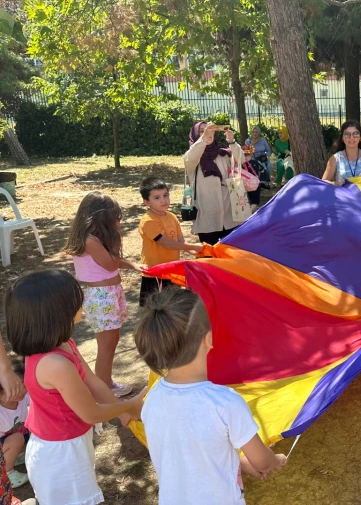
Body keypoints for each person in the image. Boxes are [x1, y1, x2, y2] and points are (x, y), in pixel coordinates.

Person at [4, 270, 145, 505]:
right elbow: (91, 412)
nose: (83, 303)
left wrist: (122, 411)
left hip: (68, 443)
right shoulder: (54, 364)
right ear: (57, 313)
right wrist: (131, 404)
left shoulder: (63, 344)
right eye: (77, 300)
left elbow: (93, 382)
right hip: (60, 454)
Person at [134, 288, 287, 504]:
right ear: (208, 339)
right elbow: (262, 461)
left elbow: (188, 451)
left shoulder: (153, 398)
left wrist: (240, 463)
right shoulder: (226, 403)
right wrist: (275, 460)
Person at [64, 191, 141, 396]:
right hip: (101, 297)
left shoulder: (96, 238)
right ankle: (104, 391)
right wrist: (116, 236)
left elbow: (113, 262)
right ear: (102, 217)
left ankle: (106, 382)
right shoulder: (90, 240)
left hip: (110, 293)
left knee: (112, 340)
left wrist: (135, 266)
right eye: (114, 217)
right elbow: (111, 264)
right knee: (106, 346)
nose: (117, 221)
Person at [138, 177, 202, 306]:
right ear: (146, 202)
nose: (163, 200)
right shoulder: (148, 221)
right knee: (152, 309)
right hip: (155, 273)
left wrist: (198, 253)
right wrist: (194, 247)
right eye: (157, 198)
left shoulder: (172, 217)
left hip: (172, 271)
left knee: (172, 307)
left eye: (165, 195)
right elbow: (166, 243)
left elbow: (180, 242)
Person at [184, 121, 245, 245]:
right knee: (209, 252)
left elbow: (241, 159)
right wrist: (204, 138)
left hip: (229, 214)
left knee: (230, 252)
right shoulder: (193, 156)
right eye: (202, 131)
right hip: (206, 216)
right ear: (195, 135)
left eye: (210, 129)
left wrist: (232, 142)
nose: (207, 133)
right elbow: (190, 158)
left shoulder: (222, 152)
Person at [0, 390, 29, 489]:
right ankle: (7, 473)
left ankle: (16, 456)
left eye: (21, 385)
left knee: (29, 430)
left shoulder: (22, 398)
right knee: (17, 439)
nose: (19, 390)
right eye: (11, 389)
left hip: (16, 437)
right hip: (5, 444)